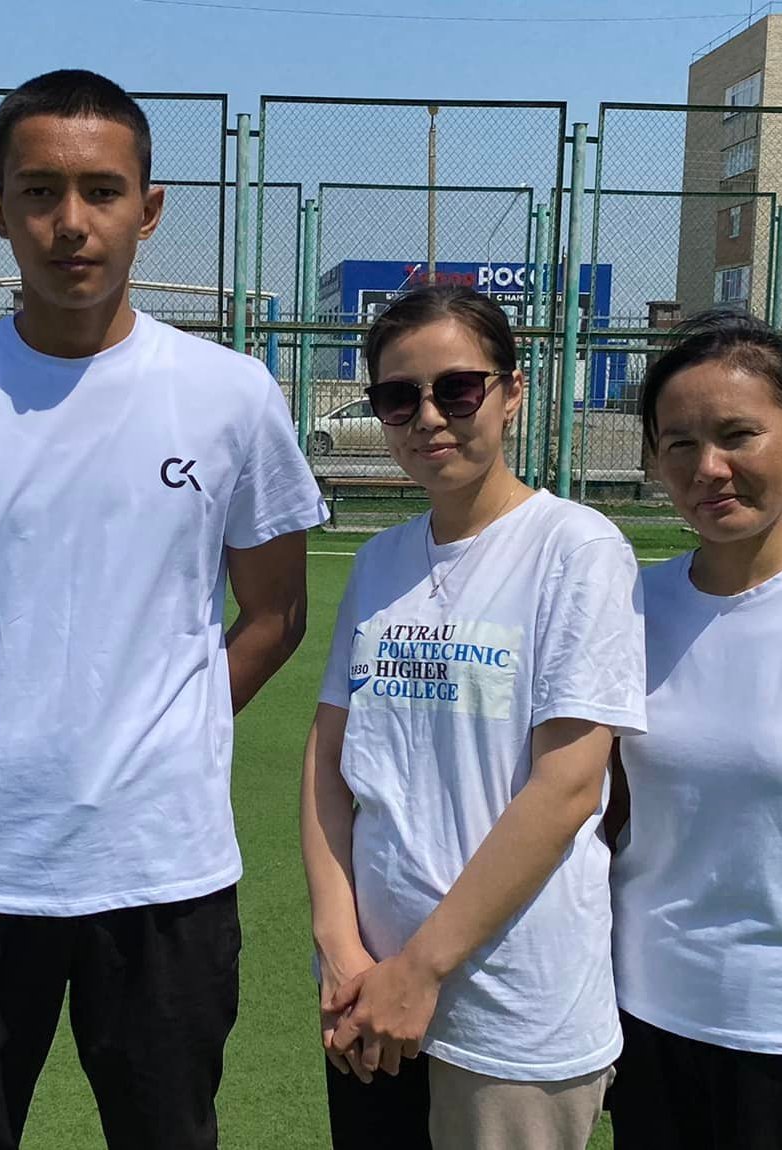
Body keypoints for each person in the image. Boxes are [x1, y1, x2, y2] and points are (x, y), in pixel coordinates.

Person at [0, 69, 327, 1149]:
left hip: (161, 869)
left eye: (102, 191)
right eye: (40, 191)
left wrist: (173, 726)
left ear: (147, 210)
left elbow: (275, 612)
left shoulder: (231, 394)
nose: (71, 222)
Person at [301, 284, 646, 1150]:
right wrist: (340, 947)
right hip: (369, 996)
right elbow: (330, 762)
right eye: (398, 397)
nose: (429, 417)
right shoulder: (380, 561)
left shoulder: (577, 548)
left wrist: (420, 971)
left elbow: (568, 788)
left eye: (458, 389)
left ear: (513, 391)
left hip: (510, 1013)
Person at [608, 310, 782, 1149]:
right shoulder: (626, 607)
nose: (709, 468)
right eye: (679, 443)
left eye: (738, 435)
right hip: (647, 1014)